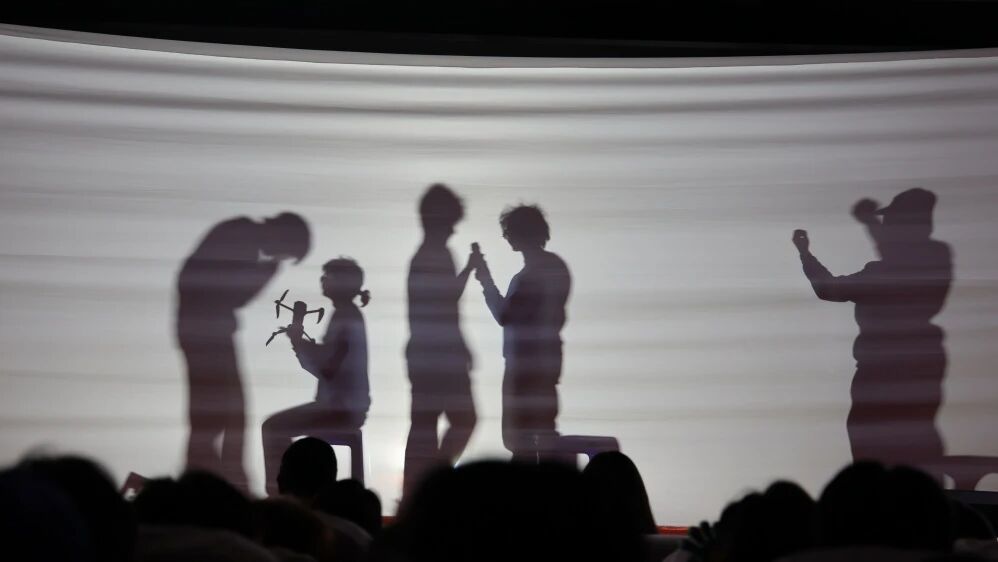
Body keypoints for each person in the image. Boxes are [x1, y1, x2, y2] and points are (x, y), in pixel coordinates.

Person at [792, 188, 951, 471]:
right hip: (919, 365)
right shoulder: (936, 257)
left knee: (873, 448)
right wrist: (868, 222)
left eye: (891, 221)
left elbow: (828, 289)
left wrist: (806, 254)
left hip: (882, 371)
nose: (886, 227)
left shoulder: (886, 273)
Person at [177, 212, 310, 490]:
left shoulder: (240, 234)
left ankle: (218, 480)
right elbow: (232, 295)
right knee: (221, 415)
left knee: (223, 415)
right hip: (207, 338)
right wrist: (266, 272)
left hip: (207, 334)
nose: (280, 257)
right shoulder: (242, 236)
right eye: (286, 252)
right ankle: (216, 482)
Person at [262, 258, 371, 496]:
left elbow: (328, 369)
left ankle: (284, 496)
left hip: (340, 409)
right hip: (344, 406)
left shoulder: (346, 317)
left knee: (272, 428)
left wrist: (299, 342)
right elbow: (329, 361)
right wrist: (301, 343)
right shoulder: (346, 315)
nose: (323, 280)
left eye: (328, 277)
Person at [473, 205, 571, 461]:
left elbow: (505, 316)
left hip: (523, 369)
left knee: (520, 443)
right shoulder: (557, 266)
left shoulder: (530, 276)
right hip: (549, 363)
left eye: (509, 232)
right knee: (545, 435)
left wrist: (485, 280)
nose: (506, 237)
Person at [403, 184, 478, 495]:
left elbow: (447, 301)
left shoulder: (430, 256)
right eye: (450, 223)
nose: (453, 229)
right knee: (457, 420)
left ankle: (421, 490)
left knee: (426, 425)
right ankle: (429, 486)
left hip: (429, 353)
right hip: (438, 355)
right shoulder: (433, 256)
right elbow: (445, 305)